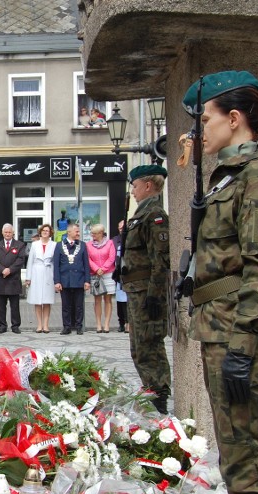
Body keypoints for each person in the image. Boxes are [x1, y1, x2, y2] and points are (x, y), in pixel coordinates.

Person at [182, 70, 258, 494]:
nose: (200, 132)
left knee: (248, 453)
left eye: (206, 120)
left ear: (233, 119)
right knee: (236, 454)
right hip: (222, 329)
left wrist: (242, 343)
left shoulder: (255, 178)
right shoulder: (229, 177)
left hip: (240, 336)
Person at [119, 164, 171, 412]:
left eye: (135, 186)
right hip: (137, 291)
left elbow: (161, 259)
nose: (133, 191)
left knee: (149, 344)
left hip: (147, 293)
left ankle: (159, 393)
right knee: (138, 346)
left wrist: (155, 295)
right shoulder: (142, 213)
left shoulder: (155, 215)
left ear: (148, 185)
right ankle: (149, 388)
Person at [53, 223, 90, 335]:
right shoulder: (59, 245)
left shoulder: (83, 245)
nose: (78, 233)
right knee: (66, 305)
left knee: (79, 305)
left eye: (78, 231)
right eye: (76, 231)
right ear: (69, 232)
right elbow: (56, 265)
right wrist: (57, 281)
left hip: (79, 279)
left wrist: (87, 281)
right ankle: (66, 326)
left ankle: (79, 326)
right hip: (65, 280)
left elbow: (86, 264)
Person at [0, 223, 26, 333]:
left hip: (13, 279)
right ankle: (2, 325)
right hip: (1, 279)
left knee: (15, 305)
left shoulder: (19, 245)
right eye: (5, 232)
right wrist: (2, 270)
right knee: (1, 305)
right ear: (2, 233)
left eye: (9, 232)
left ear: (13, 233)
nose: (7, 234)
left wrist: (9, 270)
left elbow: (20, 260)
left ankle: (15, 326)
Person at [25, 223, 56, 333]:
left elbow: (55, 262)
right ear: (40, 232)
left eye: (47, 231)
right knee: (37, 300)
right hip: (36, 273)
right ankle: (39, 325)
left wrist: (56, 279)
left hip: (48, 272)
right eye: (43, 230)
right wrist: (28, 277)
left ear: (50, 233)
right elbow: (30, 262)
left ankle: (46, 325)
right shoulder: (34, 245)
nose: (45, 232)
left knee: (47, 301)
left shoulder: (54, 245)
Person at [87, 224, 117, 333]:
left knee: (108, 299)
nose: (92, 235)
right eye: (92, 233)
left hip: (108, 273)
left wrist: (103, 269)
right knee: (97, 299)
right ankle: (98, 324)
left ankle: (106, 324)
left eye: (94, 233)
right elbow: (88, 258)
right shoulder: (89, 245)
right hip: (95, 274)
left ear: (100, 233)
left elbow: (111, 257)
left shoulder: (109, 243)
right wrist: (96, 268)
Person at [111, 220, 129, 332]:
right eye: (120, 227)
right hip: (118, 273)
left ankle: (128, 323)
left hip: (129, 272)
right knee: (120, 300)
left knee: (128, 300)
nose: (122, 229)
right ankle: (121, 323)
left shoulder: (130, 239)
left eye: (124, 227)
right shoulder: (114, 240)